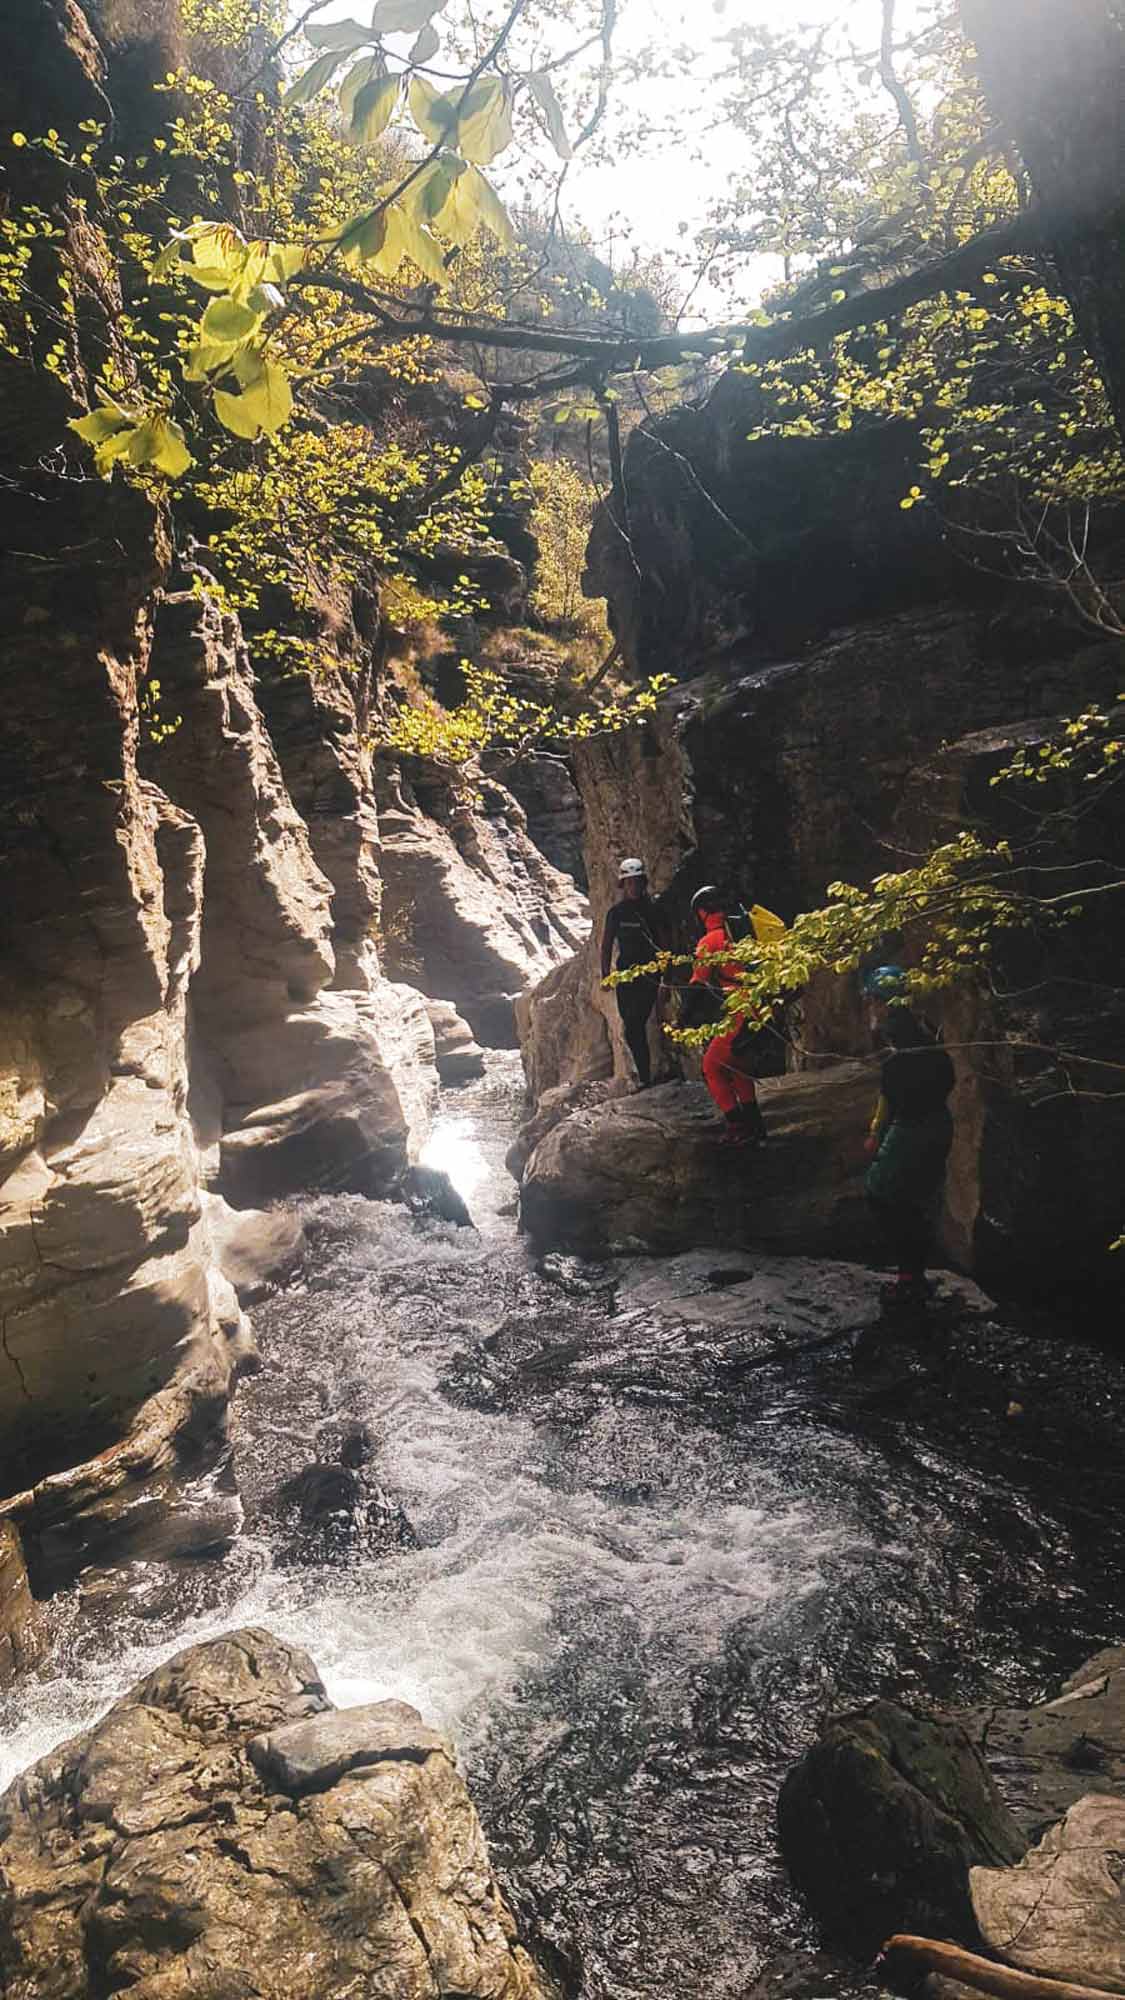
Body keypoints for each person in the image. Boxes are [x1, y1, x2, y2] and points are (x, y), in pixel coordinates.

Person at [861, 964, 956, 1302]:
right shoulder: (921, 1030)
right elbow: (945, 1077)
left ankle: (910, 1277)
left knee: (882, 1195)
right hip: (936, 1122)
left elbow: (892, 1093)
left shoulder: (897, 1038)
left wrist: (877, 1132)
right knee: (912, 1200)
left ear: (883, 1002)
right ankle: (913, 1273)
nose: (871, 1007)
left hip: (915, 1125)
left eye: (873, 1000)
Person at [690, 884, 785, 1144]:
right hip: (763, 1010)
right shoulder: (743, 933)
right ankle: (756, 1128)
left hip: (741, 1013)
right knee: (738, 1067)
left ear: (701, 913)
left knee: (712, 1067)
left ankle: (737, 1126)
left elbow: (697, 986)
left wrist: (682, 1020)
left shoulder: (710, 941)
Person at [601, 858, 663, 1088]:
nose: (633, 887)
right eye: (629, 883)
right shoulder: (616, 913)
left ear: (643, 883)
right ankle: (644, 1076)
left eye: (637, 883)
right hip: (625, 974)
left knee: (636, 1024)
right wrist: (605, 975)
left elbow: (664, 941)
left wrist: (664, 977)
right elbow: (606, 945)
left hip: (650, 974)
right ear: (623, 885)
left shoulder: (653, 910)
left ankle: (646, 1079)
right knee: (629, 1028)